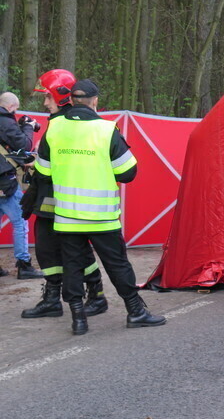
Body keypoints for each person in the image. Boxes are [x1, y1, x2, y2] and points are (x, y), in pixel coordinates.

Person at [34, 79, 165, 335]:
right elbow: (127, 172)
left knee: (72, 266)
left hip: (67, 216)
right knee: (117, 264)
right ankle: (135, 311)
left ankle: (78, 319)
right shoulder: (106, 130)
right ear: (95, 101)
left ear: (70, 101)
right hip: (101, 217)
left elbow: (43, 171)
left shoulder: (55, 128)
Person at [21, 70, 108, 319]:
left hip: (66, 197)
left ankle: (96, 293)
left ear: (61, 96)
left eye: (48, 97)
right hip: (50, 193)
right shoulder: (60, 122)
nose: (45, 103)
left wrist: (38, 163)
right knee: (48, 246)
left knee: (75, 248)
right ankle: (52, 298)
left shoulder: (71, 123)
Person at [0, 91, 43, 279]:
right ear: (11, 107)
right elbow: (25, 146)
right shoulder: (6, 122)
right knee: (20, 222)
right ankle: (24, 265)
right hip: (5, 182)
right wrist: (28, 127)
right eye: (15, 110)